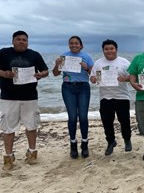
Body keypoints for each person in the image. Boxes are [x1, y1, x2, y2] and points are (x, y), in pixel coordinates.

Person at [0, 30, 49, 170]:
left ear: (27, 42)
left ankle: (32, 153)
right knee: (8, 128)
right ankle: (9, 156)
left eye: (24, 40)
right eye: (18, 39)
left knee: (31, 125)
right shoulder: (3, 53)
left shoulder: (34, 55)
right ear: (13, 41)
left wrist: (41, 74)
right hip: (8, 97)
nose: (21, 42)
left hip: (30, 97)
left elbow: (46, 71)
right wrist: (4, 73)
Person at [52, 36, 94, 159]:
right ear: (69, 45)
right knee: (72, 117)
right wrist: (57, 64)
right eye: (71, 43)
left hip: (83, 88)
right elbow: (55, 74)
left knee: (83, 116)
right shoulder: (64, 56)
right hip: (68, 88)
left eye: (76, 43)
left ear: (81, 45)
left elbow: (94, 75)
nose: (74, 45)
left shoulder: (86, 56)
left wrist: (86, 68)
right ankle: (73, 144)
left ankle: (85, 144)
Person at [90, 39, 132, 156]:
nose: (109, 51)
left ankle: (127, 139)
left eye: (111, 48)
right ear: (103, 50)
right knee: (107, 122)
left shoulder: (124, 62)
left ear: (116, 49)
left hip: (122, 96)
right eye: (106, 49)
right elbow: (92, 78)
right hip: (105, 97)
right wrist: (93, 79)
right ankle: (111, 141)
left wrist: (125, 79)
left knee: (124, 121)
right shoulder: (98, 63)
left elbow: (133, 77)